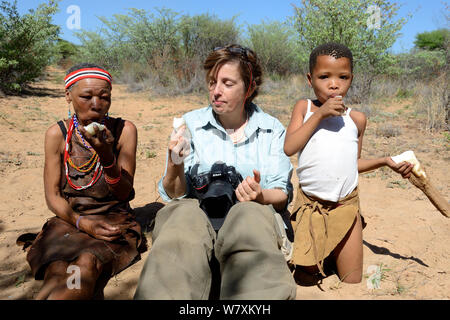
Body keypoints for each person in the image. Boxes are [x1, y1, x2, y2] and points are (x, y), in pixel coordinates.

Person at [134, 44, 297, 300]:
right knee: (181, 214)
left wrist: (259, 196)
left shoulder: (271, 129)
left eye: (227, 83)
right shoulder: (191, 125)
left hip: (250, 221)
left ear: (250, 88)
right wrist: (174, 162)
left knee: (249, 215)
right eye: (212, 82)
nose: (216, 91)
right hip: (199, 224)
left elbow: (281, 194)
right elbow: (174, 195)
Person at [284, 43, 414, 283]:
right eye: (324, 77)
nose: (334, 84)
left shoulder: (357, 119)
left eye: (342, 77)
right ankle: (323, 253)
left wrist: (385, 161)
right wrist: (320, 114)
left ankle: (337, 250)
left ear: (351, 79)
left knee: (352, 279)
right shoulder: (305, 108)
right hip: (313, 207)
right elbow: (289, 147)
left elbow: (353, 164)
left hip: (346, 207)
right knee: (306, 278)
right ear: (310, 79)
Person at [25, 63, 146, 299]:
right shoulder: (57, 134)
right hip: (69, 220)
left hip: (113, 221)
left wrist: (106, 155)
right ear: (68, 96)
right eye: (86, 96)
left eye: (104, 97)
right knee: (58, 267)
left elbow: (123, 193)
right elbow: (53, 197)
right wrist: (82, 222)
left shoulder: (124, 130)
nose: (96, 104)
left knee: (86, 263)